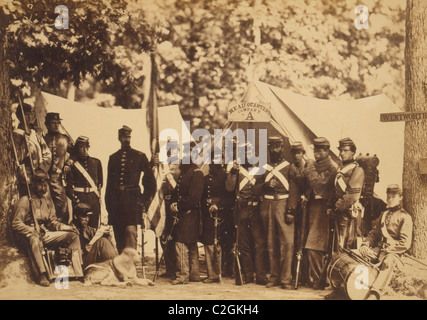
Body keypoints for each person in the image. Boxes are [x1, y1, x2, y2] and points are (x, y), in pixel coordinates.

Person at [12, 171, 82, 287]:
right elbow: (16, 223)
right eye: (40, 185)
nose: (43, 188)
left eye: (45, 185)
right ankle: (42, 274)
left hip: (44, 234)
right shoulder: (25, 201)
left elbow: (53, 222)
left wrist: (67, 227)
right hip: (28, 236)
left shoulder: (47, 202)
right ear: (33, 184)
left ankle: (77, 269)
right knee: (34, 240)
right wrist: (31, 230)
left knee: (73, 235)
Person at [105, 125, 156, 254]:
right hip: (117, 204)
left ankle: (131, 267)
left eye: (128, 137)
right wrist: (109, 207)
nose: (126, 139)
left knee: (131, 233)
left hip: (132, 203)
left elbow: (150, 182)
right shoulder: (113, 158)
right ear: (119, 138)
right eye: (124, 137)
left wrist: (143, 201)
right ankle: (123, 268)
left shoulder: (139, 156)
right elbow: (109, 185)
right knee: (119, 236)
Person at [359, 184, 413, 300]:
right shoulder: (383, 215)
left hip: (395, 253)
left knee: (388, 262)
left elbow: (405, 243)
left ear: (400, 197)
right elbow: (374, 234)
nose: (389, 199)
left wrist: (389, 250)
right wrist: (365, 244)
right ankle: (356, 289)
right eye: (388, 196)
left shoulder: (405, 217)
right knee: (360, 256)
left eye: (393, 197)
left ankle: (375, 293)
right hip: (379, 249)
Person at [226, 141, 268, 285]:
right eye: (244, 153)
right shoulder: (236, 170)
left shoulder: (261, 170)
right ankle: (248, 275)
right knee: (243, 244)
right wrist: (232, 172)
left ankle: (261, 275)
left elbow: (264, 188)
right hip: (242, 209)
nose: (248, 155)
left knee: (259, 243)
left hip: (256, 209)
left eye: (250, 153)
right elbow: (229, 188)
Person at [303, 137, 338, 288]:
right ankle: (312, 278)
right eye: (315, 150)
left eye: (320, 150)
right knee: (308, 244)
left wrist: (309, 167)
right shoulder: (316, 164)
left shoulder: (331, 167)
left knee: (315, 245)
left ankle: (318, 280)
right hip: (311, 207)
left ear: (327, 151)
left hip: (323, 208)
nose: (316, 153)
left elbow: (319, 185)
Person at [260, 136, 293, 289]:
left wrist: (291, 209)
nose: (274, 150)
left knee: (287, 243)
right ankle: (274, 277)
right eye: (272, 147)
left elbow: (295, 190)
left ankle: (286, 279)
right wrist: (266, 185)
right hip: (267, 205)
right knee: (271, 242)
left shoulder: (289, 166)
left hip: (283, 204)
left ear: (282, 148)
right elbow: (254, 188)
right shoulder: (263, 167)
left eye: (277, 147)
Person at [170, 142, 204, 285]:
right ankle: (194, 274)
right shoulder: (185, 173)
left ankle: (183, 276)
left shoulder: (196, 173)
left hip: (190, 214)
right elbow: (177, 193)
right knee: (190, 244)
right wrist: (173, 203)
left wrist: (179, 205)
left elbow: (194, 197)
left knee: (181, 243)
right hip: (185, 213)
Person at [201, 148, 234, 283]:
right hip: (208, 213)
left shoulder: (226, 176)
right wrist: (207, 205)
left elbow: (230, 197)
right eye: (212, 158)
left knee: (222, 243)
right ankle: (212, 274)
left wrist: (218, 206)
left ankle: (224, 270)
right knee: (209, 242)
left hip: (223, 214)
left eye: (218, 159)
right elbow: (202, 196)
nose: (215, 161)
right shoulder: (205, 177)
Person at [13, 102, 51, 197]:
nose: (29, 118)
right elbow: (18, 158)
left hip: (40, 176)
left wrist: (42, 169)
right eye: (26, 115)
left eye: (30, 115)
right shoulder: (16, 135)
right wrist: (25, 141)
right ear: (19, 116)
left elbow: (47, 153)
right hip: (26, 179)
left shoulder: (35, 133)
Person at [65, 136, 103, 228]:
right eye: (82, 147)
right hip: (79, 199)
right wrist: (76, 200)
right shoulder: (72, 165)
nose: (85, 150)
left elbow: (100, 183)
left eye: (87, 147)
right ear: (77, 149)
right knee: (80, 228)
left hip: (93, 199)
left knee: (93, 227)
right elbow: (69, 187)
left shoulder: (96, 162)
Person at [334, 138, 365, 249]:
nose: (342, 153)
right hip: (338, 212)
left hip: (347, 213)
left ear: (353, 152)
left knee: (344, 245)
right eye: (341, 150)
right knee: (336, 244)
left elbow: (352, 196)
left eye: (345, 150)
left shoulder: (357, 169)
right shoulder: (340, 168)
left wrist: (337, 206)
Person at [44, 112, 73, 222]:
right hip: (44, 180)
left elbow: (75, 153)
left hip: (58, 179)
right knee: (46, 206)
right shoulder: (42, 139)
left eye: (58, 123)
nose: (56, 125)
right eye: (53, 123)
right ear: (47, 125)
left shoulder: (65, 139)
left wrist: (68, 163)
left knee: (63, 207)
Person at [287, 141, 308, 286]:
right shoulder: (291, 168)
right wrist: (292, 209)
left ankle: (306, 274)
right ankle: (296, 274)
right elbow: (293, 191)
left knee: (306, 238)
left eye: (299, 152)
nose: (296, 155)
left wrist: (307, 196)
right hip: (298, 207)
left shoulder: (310, 166)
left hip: (309, 205)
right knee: (297, 239)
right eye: (294, 152)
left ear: (303, 153)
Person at [73, 202, 117, 267]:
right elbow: (70, 254)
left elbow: (97, 234)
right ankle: (117, 267)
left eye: (88, 216)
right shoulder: (71, 231)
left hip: (89, 261)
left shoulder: (88, 229)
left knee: (104, 239)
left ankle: (116, 266)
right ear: (76, 216)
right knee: (102, 242)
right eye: (84, 216)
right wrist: (84, 250)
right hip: (80, 264)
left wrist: (106, 234)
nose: (87, 219)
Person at [160, 162, 181, 279]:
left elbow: (178, 188)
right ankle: (169, 268)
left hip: (173, 206)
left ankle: (176, 269)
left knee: (173, 237)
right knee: (163, 236)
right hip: (162, 205)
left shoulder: (179, 169)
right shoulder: (161, 168)